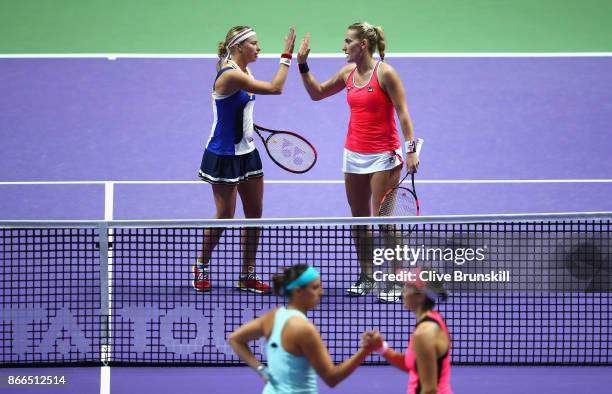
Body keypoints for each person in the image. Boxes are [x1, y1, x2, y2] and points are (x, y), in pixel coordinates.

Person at [296, 22, 420, 302]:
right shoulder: (347, 73)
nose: (343, 46)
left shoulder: (386, 74)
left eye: (347, 41)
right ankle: (367, 275)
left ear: (362, 44)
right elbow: (317, 93)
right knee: (359, 220)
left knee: (385, 221)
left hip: (384, 156)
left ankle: (398, 279)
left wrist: (411, 149)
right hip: (353, 155)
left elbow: (403, 113)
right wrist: (303, 65)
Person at [193, 26, 296, 294]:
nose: (259, 47)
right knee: (225, 215)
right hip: (223, 155)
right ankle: (201, 265)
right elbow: (275, 88)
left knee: (254, 215)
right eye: (254, 43)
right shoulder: (230, 75)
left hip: (247, 153)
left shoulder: (245, 70)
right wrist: (287, 55)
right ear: (239, 47)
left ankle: (247, 274)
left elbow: (236, 108)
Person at [228, 264, 379, 393]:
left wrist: (261, 370)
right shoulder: (304, 330)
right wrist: (365, 350)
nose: (322, 292)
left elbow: (235, 339)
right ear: (297, 292)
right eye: (315, 287)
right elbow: (332, 378)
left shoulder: (272, 317)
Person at [364, 268, 453, 394]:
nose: (403, 292)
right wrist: (382, 348)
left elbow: (429, 390)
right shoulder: (431, 321)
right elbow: (413, 366)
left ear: (421, 297)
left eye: (408, 287)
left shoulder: (425, 333)